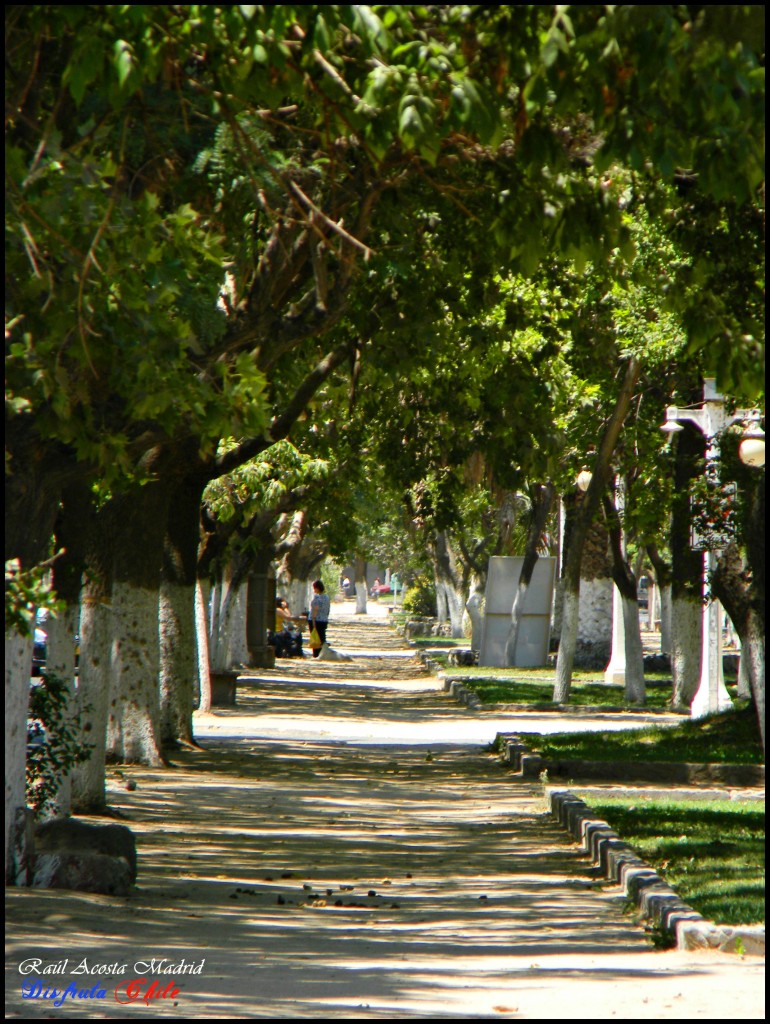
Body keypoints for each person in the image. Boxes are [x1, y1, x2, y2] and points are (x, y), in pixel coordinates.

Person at [307, 580, 331, 658]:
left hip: (316, 620)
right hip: (324, 619)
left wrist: (313, 620)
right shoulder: (327, 597)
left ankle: (316, 654)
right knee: (322, 637)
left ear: (317, 588)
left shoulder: (317, 597)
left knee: (315, 637)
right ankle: (323, 653)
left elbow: (315, 609)